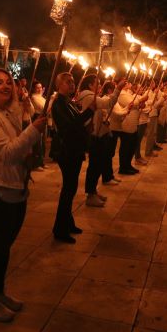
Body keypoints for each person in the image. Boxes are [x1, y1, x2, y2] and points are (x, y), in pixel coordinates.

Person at [0, 68, 46, 322]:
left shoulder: (8, 113)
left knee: (4, 248)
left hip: (16, 188)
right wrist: (33, 130)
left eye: (8, 82)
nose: (5, 86)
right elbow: (7, 153)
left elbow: (20, 148)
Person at [51, 72, 95, 243]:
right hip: (66, 152)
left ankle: (67, 223)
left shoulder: (68, 102)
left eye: (73, 81)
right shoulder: (58, 104)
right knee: (68, 190)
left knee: (71, 189)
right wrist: (89, 112)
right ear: (58, 85)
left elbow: (77, 123)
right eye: (68, 82)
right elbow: (69, 127)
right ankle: (60, 229)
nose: (72, 84)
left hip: (74, 150)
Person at [77, 75, 125, 207]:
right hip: (94, 136)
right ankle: (90, 195)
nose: (100, 86)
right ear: (90, 85)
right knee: (94, 166)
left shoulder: (91, 95)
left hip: (99, 134)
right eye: (97, 83)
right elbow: (108, 103)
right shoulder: (88, 96)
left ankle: (93, 191)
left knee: (97, 165)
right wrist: (118, 89)